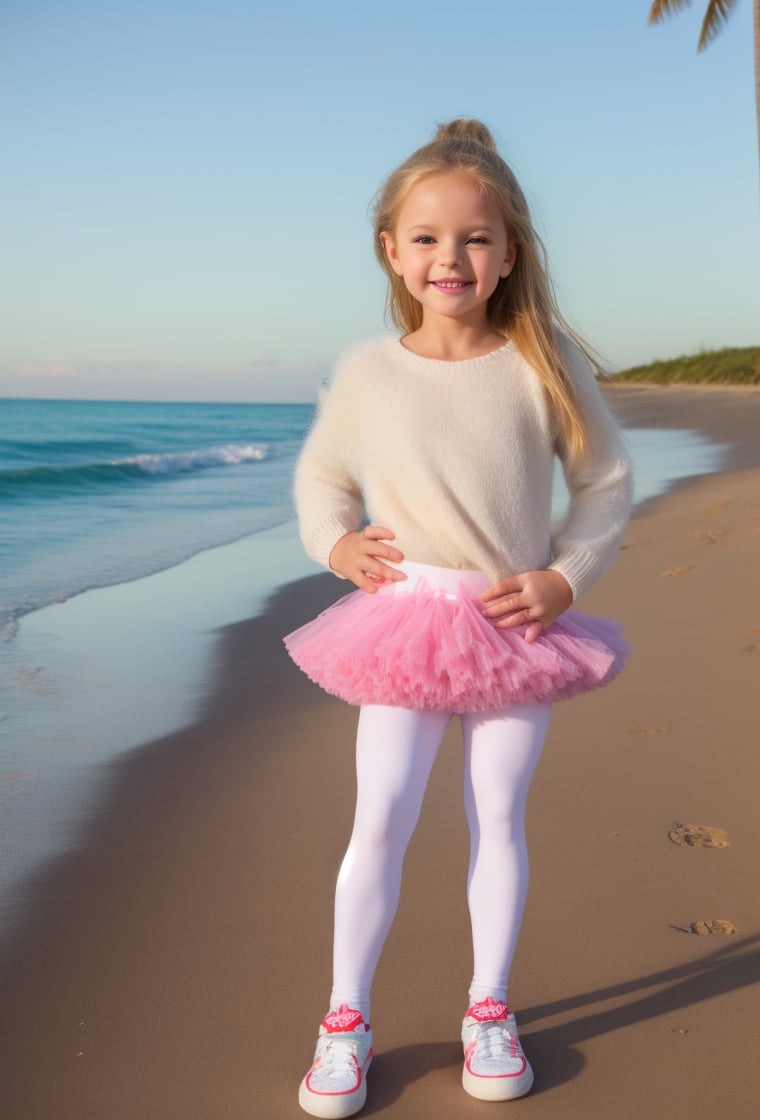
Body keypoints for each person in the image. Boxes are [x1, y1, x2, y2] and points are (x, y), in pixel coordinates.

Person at [284, 118, 633, 1118]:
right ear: (390, 249)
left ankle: (490, 1006)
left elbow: (603, 483)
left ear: (510, 251)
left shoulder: (541, 360)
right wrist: (337, 544)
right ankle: (344, 1019)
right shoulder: (366, 371)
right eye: (427, 237)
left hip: (516, 625)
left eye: (475, 238)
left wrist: (566, 577)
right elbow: (322, 477)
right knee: (382, 818)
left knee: (499, 816)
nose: (451, 257)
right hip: (404, 624)